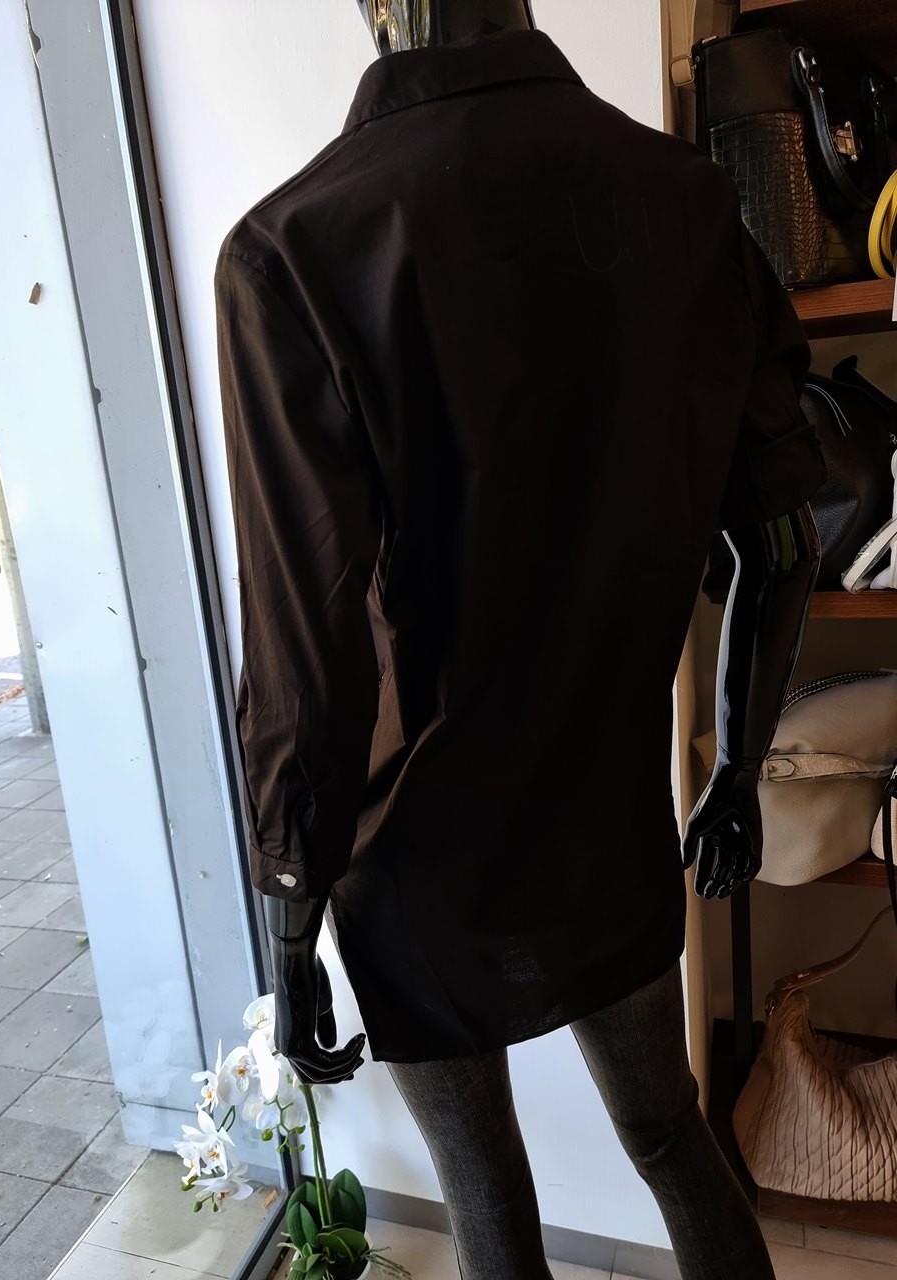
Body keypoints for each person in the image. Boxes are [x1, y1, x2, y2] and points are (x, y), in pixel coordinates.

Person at [213, 3, 826, 1276]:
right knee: (670, 1134)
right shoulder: (685, 200)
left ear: (378, 9)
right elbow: (775, 541)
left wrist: (290, 907)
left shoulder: (292, 252)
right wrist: (731, 769)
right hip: (602, 809)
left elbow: (302, 652)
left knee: (482, 1188)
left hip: (411, 847)